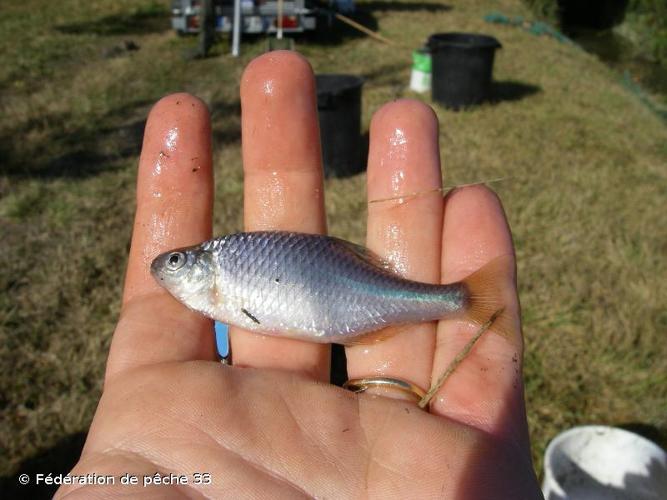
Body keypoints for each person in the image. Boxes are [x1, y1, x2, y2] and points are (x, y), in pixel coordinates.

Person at [56, 51, 542, 498]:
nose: (168, 268)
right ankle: (458, 299)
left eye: (179, 262)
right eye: (176, 262)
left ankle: (462, 298)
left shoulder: (224, 265)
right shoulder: (221, 269)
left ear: (205, 266)